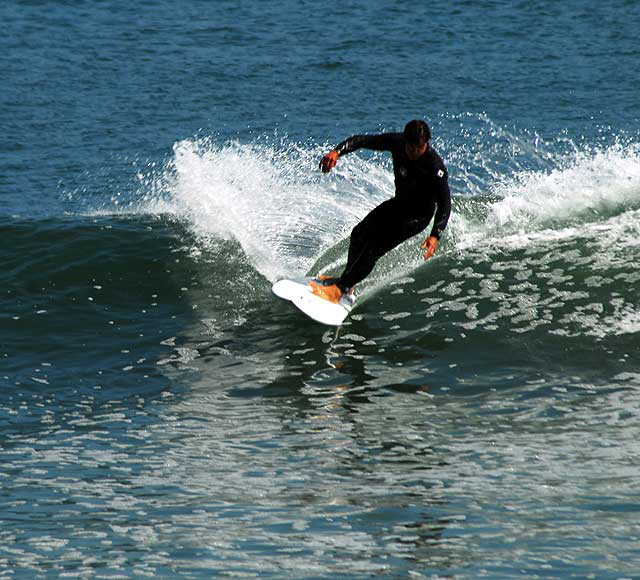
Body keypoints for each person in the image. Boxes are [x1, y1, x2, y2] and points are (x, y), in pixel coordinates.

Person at [311, 119, 451, 304]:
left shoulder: (435, 168)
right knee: (359, 234)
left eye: (419, 148)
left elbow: (445, 204)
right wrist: (337, 152)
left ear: (425, 143)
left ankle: (339, 290)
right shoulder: (397, 142)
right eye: (410, 147)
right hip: (398, 205)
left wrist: (435, 235)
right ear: (405, 141)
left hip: (417, 217)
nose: (413, 152)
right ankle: (347, 283)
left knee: (373, 248)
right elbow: (362, 141)